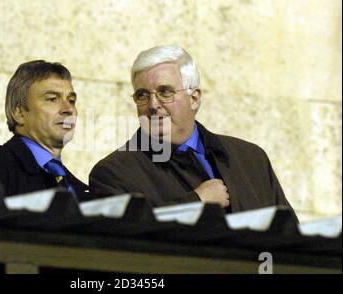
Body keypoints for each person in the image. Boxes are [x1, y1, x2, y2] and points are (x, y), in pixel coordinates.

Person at [89, 45, 296, 215]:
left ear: (194, 98)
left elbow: (289, 238)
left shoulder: (251, 159)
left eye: (165, 92)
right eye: (142, 95)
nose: (153, 104)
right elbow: (128, 246)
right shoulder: (113, 174)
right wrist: (195, 202)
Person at [0, 60, 90, 201]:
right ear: (19, 113)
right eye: (52, 99)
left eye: (71, 100)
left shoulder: (83, 191)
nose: (69, 109)